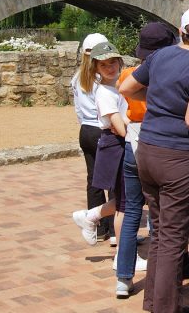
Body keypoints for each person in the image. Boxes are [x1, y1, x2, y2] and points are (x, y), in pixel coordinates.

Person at [119, 5, 189, 313]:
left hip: (146, 150)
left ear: (181, 31)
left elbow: (126, 88)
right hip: (175, 156)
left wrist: (161, 99)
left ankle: (155, 301)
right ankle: (166, 307)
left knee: (161, 231)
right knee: (174, 237)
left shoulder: (161, 56)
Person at [115, 22, 177, 298]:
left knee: (131, 212)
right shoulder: (167, 75)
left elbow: (124, 110)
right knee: (161, 215)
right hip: (158, 143)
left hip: (132, 143)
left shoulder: (127, 75)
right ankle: (160, 278)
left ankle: (123, 277)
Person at [72, 42, 128, 248]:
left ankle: (93, 217)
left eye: (113, 63)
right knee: (123, 196)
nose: (110, 68)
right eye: (104, 65)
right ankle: (118, 244)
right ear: (95, 67)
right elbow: (119, 126)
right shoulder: (104, 92)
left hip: (100, 132)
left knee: (126, 196)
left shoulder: (118, 86)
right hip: (113, 141)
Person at [72, 32, 113, 241]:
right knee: (115, 180)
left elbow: (78, 109)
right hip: (100, 129)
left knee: (94, 180)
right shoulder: (102, 78)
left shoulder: (77, 77)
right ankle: (115, 231)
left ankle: (100, 227)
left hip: (86, 130)